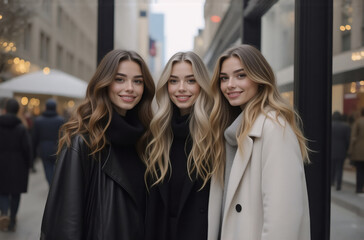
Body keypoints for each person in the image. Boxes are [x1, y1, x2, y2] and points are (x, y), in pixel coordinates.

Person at [40, 50, 155, 240]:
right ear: (105, 83)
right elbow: (65, 223)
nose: (130, 88)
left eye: (138, 81)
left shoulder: (146, 139)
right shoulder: (83, 141)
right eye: (120, 79)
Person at [208, 44, 310, 240]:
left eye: (240, 75)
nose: (230, 84)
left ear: (259, 79)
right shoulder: (231, 131)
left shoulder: (274, 128)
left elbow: (282, 220)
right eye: (224, 78)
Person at [145, 51, 213, 240]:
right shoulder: (157, 133)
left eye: (191, 81)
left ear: (202, 85)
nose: (181, 88)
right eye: (173, 81)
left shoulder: (215, 133)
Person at [0, 98, 32, 232]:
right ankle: (12, 219)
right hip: (18, 164)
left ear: (5, 109)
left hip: (1, 163)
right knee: (16, 193)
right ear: (18, 110)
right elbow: (27, 148)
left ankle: (4, 213)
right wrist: (29, 164)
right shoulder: (21, 128)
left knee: (2, 191)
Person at [32, 99, 65, 185]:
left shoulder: (39, 120)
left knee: (48, 169)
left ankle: (52, 185)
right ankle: (55, 185)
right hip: (58, 147)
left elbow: (35, 137)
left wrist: (34, 152)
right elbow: (64, 135)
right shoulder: (61, 120)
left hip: (44, 149)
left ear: (46, 107)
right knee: (57, 168)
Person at [331, 111, 351, 191]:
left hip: (331, 150)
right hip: (342, 150)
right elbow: (347, 139)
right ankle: (338, 184)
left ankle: (331, 181)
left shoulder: (330, 125)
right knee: (340, 168)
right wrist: (346, 149)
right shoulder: (346, 126)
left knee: (332, 167)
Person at [348, 108, 364, 194]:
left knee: (359, 170)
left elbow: (353, 137)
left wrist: (350, 150)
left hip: (359, 150)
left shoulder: (358, 122)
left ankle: (359, 188)